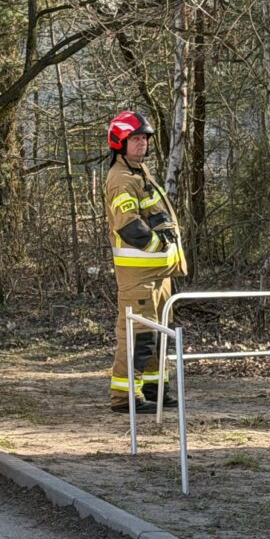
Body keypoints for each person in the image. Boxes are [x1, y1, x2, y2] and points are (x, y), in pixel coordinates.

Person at [104, 110, 188, 413]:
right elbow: (128, 225)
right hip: (138, 275)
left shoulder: (140, 171)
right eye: (135, 139)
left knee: (156, 333)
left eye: (144, 139)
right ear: (120, 142)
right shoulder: (121, 178)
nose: (142, 144)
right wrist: (156, 245)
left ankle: (154, 387)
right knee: (137, 336)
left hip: (157, 273)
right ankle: (125, 396)